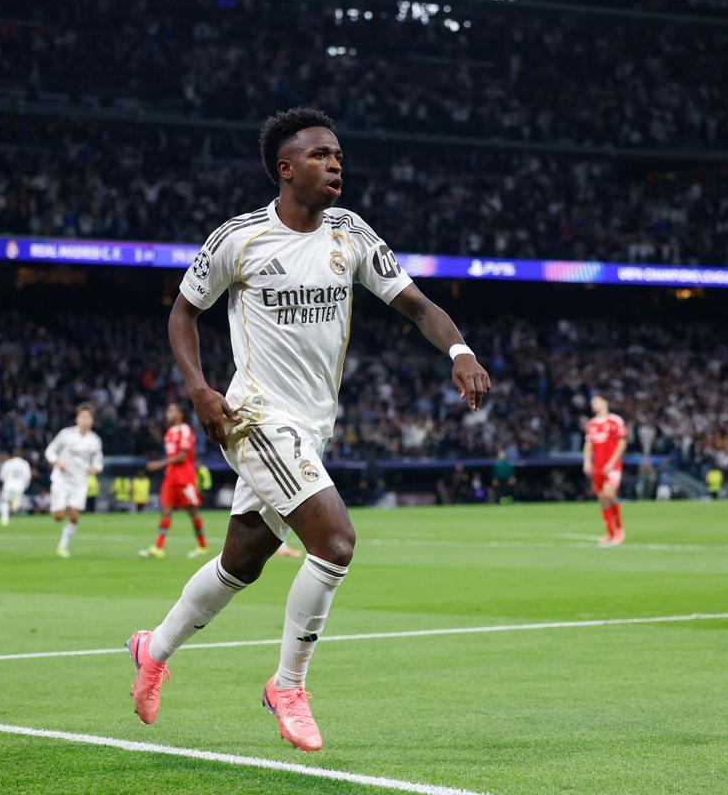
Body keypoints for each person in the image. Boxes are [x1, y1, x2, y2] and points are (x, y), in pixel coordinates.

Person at [125, 107, 490, 752]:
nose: (335, 164)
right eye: (320, 155)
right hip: (256, 415)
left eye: (338, 155)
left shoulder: (351, 233)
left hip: (314, 425)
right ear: (286, 169)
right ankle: (287, 686)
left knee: (242, 560)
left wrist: (458, 351)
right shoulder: (238, 239)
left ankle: (152, 651)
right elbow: (183, 313)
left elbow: (415, 305)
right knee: (335, 542)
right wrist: (200, 389)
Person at [140, 404, 208, 560]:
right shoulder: (169, 432)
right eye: (168, 410)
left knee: (193, 512)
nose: (168, 413)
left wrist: (160, 464)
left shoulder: (185, 430)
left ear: (180, 414)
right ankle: (158, 547)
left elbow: (183, 456)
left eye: (172, 410)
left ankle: (202, 546)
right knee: (165, 511)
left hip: (185, 478)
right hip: (170, 478)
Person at [45, 403, 104, 558]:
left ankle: (63, 546)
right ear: (77, 419)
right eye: (82, 417)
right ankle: (57, 504)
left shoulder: (95, 440)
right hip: (62, 479)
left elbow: (98, 461)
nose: (85, 420)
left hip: (80, 482)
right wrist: (56, 461)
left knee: (74, 514)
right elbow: (50, 451)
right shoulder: (66, 435)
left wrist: (95, 468)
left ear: (92, 420)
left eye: (88, 417)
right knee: (59, 516)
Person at [583, 395, 627, 546]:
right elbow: (588, 445)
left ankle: (619, 529)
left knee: (609, 493)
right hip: (598, 466)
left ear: (605, 402)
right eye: (592, 402)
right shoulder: (592, 424)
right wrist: (587, 461)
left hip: (613, 466)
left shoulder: (616, 421)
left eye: (596, 401)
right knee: (602, 498)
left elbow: (622, 443)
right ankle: (610, 532)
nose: (593, 404)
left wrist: (612, 462)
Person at [0, 451, 32, 526]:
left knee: (5, 502)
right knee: (16, 503)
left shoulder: (7, 463)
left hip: (8, 485)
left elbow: (2, 477)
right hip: (19, 486)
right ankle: (15, 506)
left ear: (12, 455)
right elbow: (27, 477)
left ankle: (4, 521)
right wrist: (25, 486)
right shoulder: (24, 463)